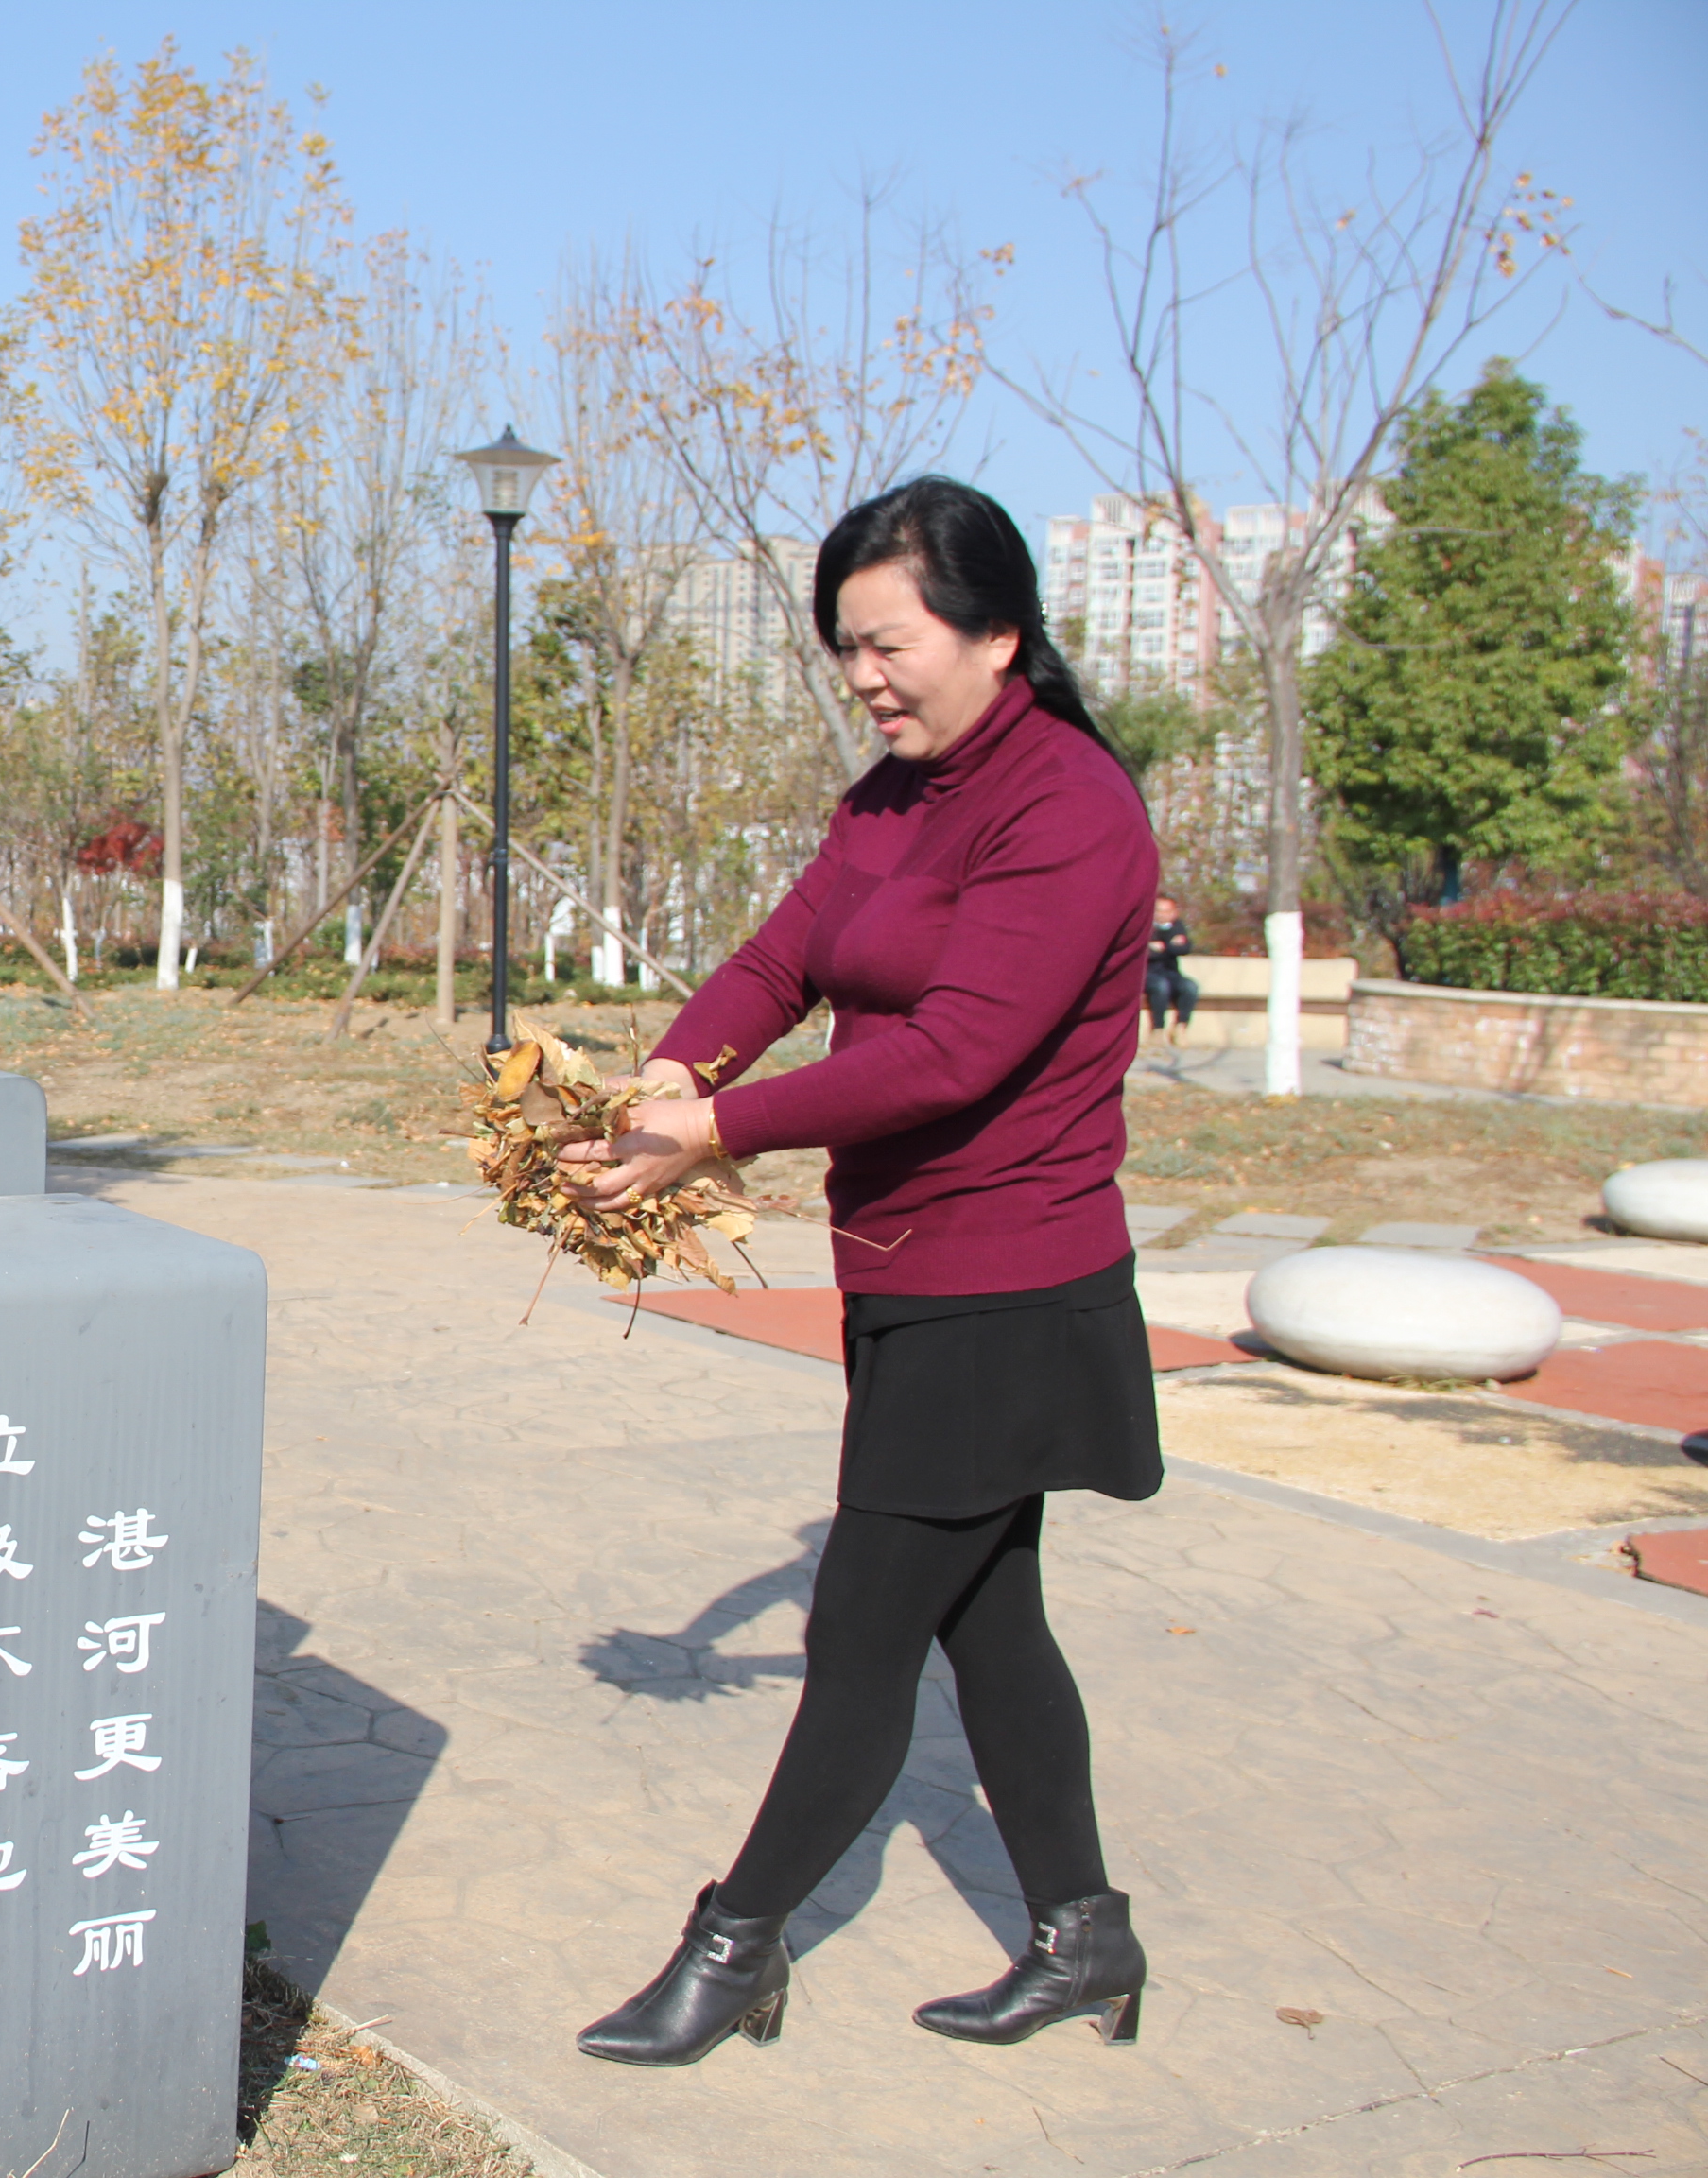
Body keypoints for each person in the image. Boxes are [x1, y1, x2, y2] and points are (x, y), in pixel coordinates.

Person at [558, 476, 1159, 2067]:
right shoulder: (893, 797)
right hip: (909, 1269)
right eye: (848, 656)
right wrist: (669, 1079)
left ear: (996, 627)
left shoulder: (1068, 804)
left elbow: (956, 1052)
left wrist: (724, 1127)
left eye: (889, 646)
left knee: (867, 1630)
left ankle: (732, 1941)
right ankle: (1085, 1936)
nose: (869, 680)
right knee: (994, 1622)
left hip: (1010, 1289)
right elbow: (781, 958)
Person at [1146, 895, 1198, 1045]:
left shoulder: (1177, 926)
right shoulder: (1146, 926)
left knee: (1190, 987)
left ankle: (1180, 1027)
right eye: (1159, 911)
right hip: (1149, 973)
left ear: (1174, 912)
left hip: (1171, 972)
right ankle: (1158, 1029)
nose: (1163, 914)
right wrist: (1170, 945)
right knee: (1160, 987)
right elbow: (1146, 952)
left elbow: (1185, 948)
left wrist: (1163, 947)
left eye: (1167, 911)